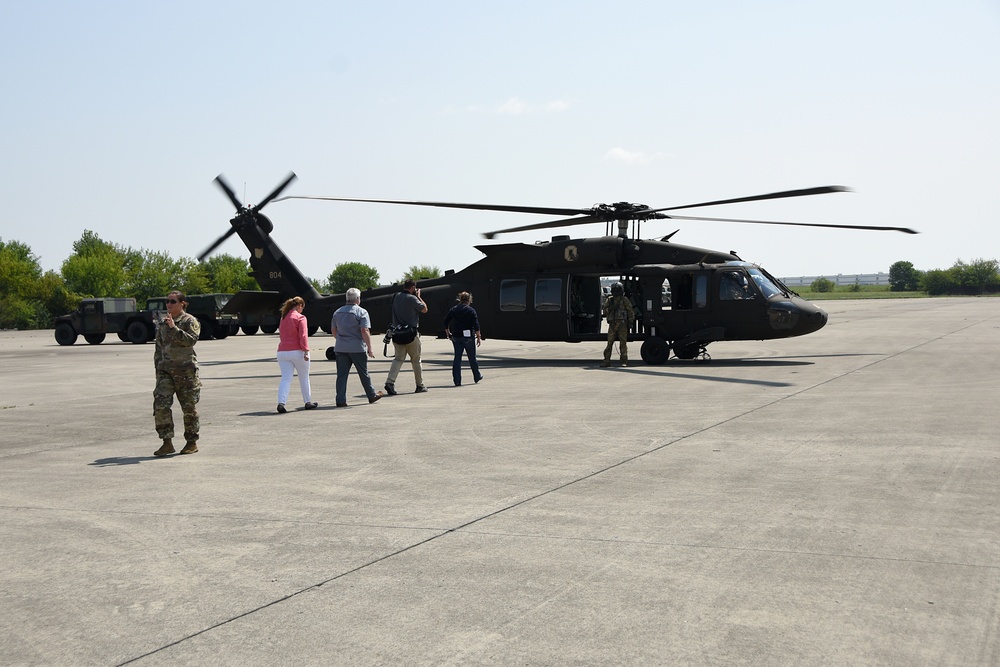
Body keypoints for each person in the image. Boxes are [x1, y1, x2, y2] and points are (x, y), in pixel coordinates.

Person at [152, 291, 201, 456]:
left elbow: (191, 340)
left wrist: (174, 328)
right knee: (160, 405)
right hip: (166, 372)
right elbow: (159, 348)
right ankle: (167, 442)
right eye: (167, 301)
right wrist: (158, 370)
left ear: (182, 303)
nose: (169, 304)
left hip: (185, 371)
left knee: (189, 408)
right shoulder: (163, 323)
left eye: (173, 301)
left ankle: (191, 442)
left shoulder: (189, 321)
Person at [330, 288, 383, 407]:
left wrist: (339, 340)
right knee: (363, 373)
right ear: (358, 299)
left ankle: (340, 399)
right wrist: (369, 347)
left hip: (341, 348)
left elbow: (333, 329)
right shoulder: (362, 312)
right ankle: (371, 395)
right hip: (357, 347)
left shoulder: (337, 312)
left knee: (341, 375)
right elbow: (364, 330)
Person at [384, 279, 428, 395]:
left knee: (398, 359)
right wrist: (419, 297)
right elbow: (424, 309)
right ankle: (420, 385)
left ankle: (390, 382)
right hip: (411, 335)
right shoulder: (412, 299)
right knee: (416, 360)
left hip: (397, 334)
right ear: (413, 288)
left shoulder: (395, 296)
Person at [276, 296, 317, 413]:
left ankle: (281, 403)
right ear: (299, 306)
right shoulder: (301, 318)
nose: (302, 310)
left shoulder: (283, 318)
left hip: (282, 352)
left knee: (286, 378)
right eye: (302, 307)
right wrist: (305, 351)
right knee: (304, 377)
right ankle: (307, 401)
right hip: (297, 351)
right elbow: (303, 336)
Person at [443, 291, 483, 386]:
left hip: (456, 336)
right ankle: (476, 376)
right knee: (472, 358)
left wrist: (447, 332)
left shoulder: (454, 309)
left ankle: (457, 380)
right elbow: (476, 325)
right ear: (469, 300)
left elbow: (445, 321)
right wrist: (478, 336)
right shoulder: (471, 310)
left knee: (457, 358)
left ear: (460, 299)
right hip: (468, 336)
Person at [602, 281, 635, 367]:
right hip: (612, 324)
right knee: (609, 344)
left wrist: (631, 322)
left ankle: (624, 361)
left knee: (623, 343)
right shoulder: (609, 300)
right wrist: (610, 308)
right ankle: (606, 361)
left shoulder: (624, 300)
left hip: (622, 324)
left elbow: (630, 311)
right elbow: (605, 311)